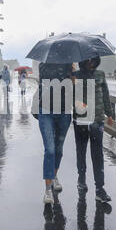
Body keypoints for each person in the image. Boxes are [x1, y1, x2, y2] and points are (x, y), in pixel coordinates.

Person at [72, 57, 113, 202]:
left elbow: (106, 95)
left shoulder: (100, 74)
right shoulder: (75, 76)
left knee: (98, 155)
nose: (90, 62)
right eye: (87, 60)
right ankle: (81, 180)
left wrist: (110, 114)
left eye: (93, 60)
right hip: (81, 119)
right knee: (81, 152)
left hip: (97, 120)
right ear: (82, 61)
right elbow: (70, 97)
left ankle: (99, 189)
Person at [35, 62, 73, 204]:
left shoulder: (69, 66)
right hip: (46, 111)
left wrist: (72, 77)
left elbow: (72, 89)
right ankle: (47, 189)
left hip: (64, 112)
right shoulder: (43, 65)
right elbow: (43, 86)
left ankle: (54, 176)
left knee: (59, 150)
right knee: (50, 150)